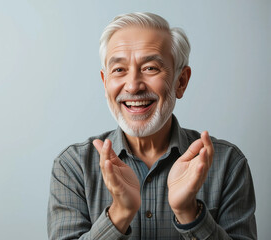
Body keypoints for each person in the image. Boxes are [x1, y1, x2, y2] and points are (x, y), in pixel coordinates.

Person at [47, 12, 257, 239]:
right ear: (105, 82)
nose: (133, 86)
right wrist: (120, 213)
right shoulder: (73, 167)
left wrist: (189, 213)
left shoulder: (227, 164)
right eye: (119, 70)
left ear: (181, 82)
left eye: (150, 68)